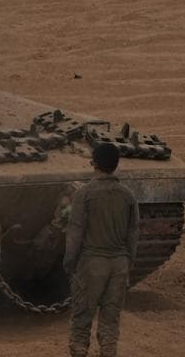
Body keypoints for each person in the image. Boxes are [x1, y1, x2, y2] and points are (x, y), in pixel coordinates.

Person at [63, 143, 140, 357]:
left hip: (91, 264)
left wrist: (69, 263)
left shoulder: (85, 194)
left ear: (94, 163)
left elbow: (75, 233)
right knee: (110, 321)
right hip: (119, 264)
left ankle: (79, 351)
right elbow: (133, 234)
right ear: (116, 165)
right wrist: (128, 263)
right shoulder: (128, 195)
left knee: (81, 318)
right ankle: (107, 351)